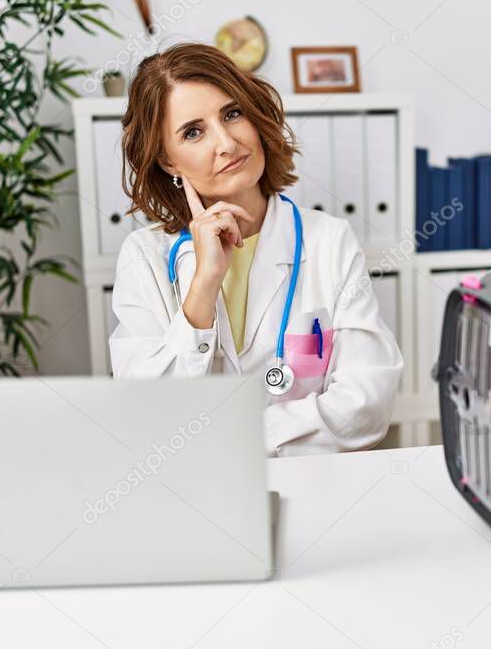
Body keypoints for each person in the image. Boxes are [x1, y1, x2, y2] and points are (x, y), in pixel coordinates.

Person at [109, 42, 403, 456]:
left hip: (314, 487)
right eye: (193, 132)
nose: (226, 142)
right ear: (168, 162)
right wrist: (204, 284)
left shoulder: (328, 240)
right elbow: (148, 415)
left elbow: (366, 402)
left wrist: (234, 438)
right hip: (197, 494)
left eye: (232, 114)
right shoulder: (143, 257)